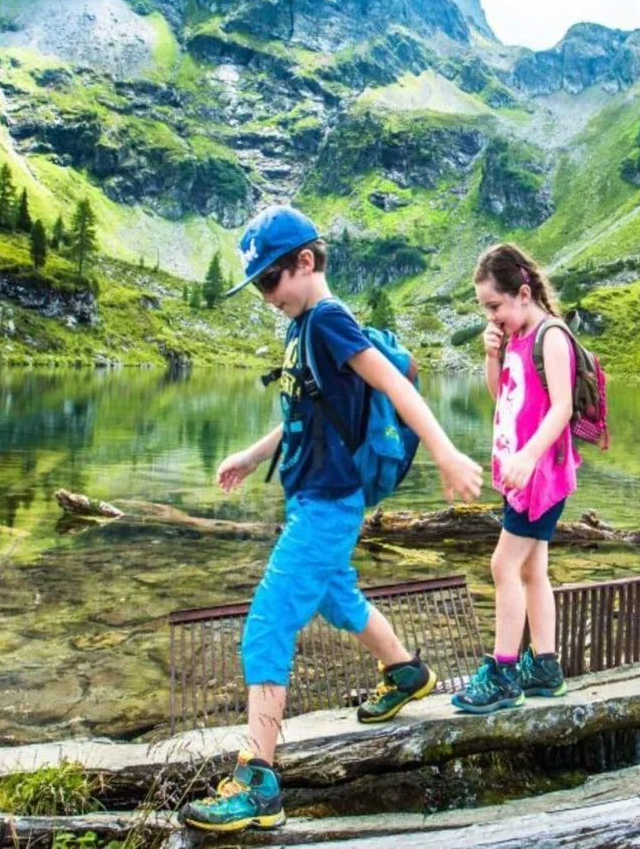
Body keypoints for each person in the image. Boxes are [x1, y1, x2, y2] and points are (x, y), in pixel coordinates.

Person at [180, 206, 483, 832]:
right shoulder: (300, 329)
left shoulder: (329, 321)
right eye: (259, 284)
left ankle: (258, 782)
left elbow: (398, 389)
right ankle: (406, 671)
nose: (266, 295)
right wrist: (252, 453)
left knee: (265, 626)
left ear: (306, 263)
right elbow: (301, 409)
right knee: (337, 598)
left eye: (270, 280)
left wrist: (447, 452)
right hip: (313, 497)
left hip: (329, 503)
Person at [452, 243, 577, 713]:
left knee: (502, 567)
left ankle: (504, 673)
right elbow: (501, 398)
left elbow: (561, 408)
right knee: (531, 569)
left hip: (539, 476)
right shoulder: (518, 339)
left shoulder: (552, 337)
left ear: (523, 293)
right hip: (523, 476)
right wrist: (491, 357)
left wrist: (527, 457)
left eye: (494, 306)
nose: (491, 316)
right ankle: (544, 665)